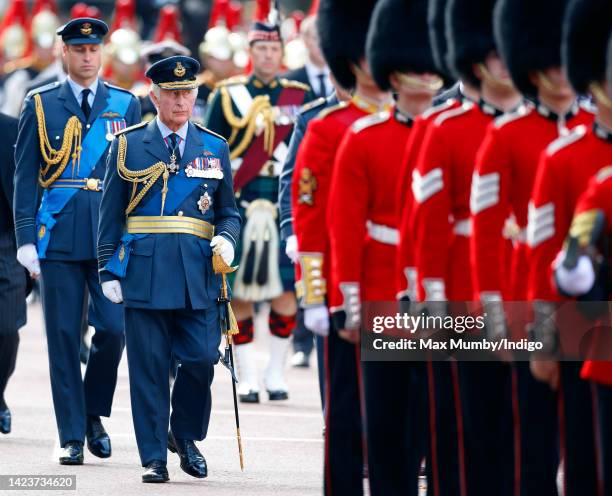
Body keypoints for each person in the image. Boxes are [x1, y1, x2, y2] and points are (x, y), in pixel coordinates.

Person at [97, 55, 240, 483]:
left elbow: (228, 211)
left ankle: (185, 433)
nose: (182, 102)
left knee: (200, 359)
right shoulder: (127, 144)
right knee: (149, 368)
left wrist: (228, 238)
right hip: (144, 270)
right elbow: (110, 214)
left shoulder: (213, 146)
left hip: (197, 273)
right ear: (154, 95)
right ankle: (154, 456)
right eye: (173, 94)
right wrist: (107, 269)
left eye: (188, 93)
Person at [470, 1, 594, 493]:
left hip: (591, 305)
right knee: (534, 441)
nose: (561, 76)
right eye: (550, 64)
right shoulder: (505, 136)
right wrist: (496, 311)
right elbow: (485, 231)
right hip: (531, 299)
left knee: (588, 443)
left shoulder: (593, 135)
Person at [13, 17, 141, 465]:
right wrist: (26, 238)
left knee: (113, 328)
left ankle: (91, 413)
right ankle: (70, 433)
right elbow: (25, 176)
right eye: (79, 49)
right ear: (64, 53)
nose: (88, 56)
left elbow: (135, 180)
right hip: (60, 237)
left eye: (94, 49)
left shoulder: (125, 105)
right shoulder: (42, 103)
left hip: (108, 239)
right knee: (64, 336)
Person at [326, 0, 442, 494]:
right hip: (380, 291)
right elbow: (343, 228)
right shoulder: (362, 138)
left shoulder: (452, 132)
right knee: (388, 428)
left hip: (443, 296)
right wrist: (345, 301)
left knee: (438, 425)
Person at [411, 0, 522, 493]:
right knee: (461, 420)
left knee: (525, 423)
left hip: (529, 282)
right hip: (460, 284)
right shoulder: (445, 127)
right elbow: (428, 222)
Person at [292, 0, 389, 493]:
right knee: (346, 413)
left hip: (400, 287)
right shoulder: (326, 128)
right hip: (341, 289)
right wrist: (313, 293)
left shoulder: (417, 124)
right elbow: (310, 220)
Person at [526, 0, 612, 493]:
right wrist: (544, 337)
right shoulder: (567, 159)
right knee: (583, 456)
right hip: (585, 321)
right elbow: (551, 255)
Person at [204, 12, 310, 403]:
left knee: (286, 291)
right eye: (261, 47)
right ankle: (247, 374)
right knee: (240, 294)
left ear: (282, 51)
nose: (268, 54)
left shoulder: (300, 96)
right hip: (242, 205)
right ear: (250, 51)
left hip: (281, 206)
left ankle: (275, 371)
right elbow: (211, 152)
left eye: (274, 48)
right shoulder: (228, 94)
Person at [0, 112, 27, 436]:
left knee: (7, 328)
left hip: (4, 241)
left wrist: (28, 245)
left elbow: (22, 190)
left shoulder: (9, 128)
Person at [282, 15, 331, 102]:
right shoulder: (290, 80)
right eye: (316, 38)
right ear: (304, 39)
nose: (321, 44)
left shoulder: (345, 78)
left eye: (326, 38)